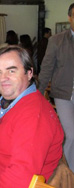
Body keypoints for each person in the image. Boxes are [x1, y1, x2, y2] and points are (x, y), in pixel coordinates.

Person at [0, 45, 64, 188]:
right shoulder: (11, 101)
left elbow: (19, 179)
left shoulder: (33, 115)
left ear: (29, 73)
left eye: (11, 70)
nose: (3, 78)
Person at [38, 3, 74, 173]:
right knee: (70, 134)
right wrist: (37, 95)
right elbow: (46, 69)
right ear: (70, 17)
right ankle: (69, 172)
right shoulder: (56, 40)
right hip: (63, 94)